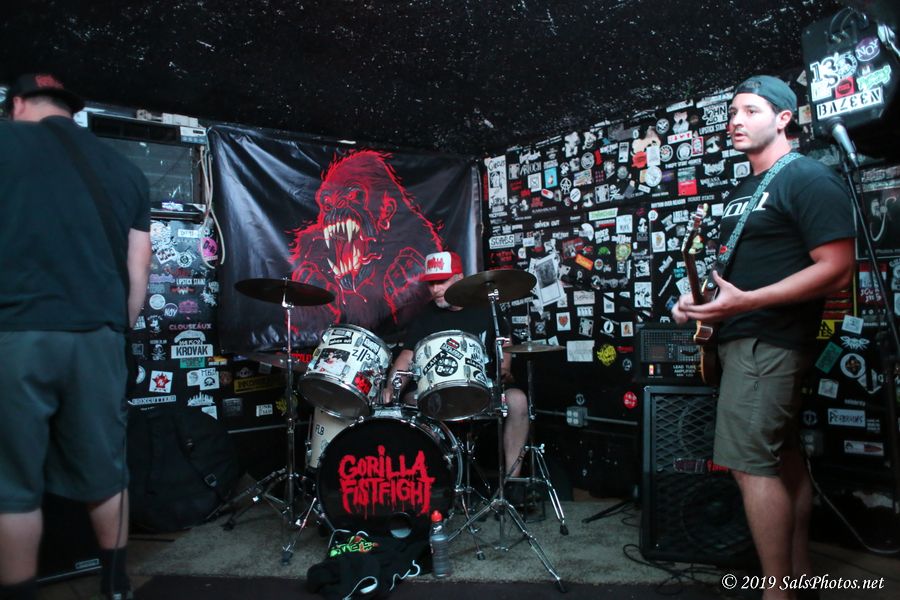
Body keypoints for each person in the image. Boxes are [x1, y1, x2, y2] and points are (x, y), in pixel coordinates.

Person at [673, 75, 855, 600]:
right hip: (745, 340)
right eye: (732, 112)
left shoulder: (807, 177)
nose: (736, 120)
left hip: (768, 342)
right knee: (783, 460)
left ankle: (777, 593)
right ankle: (799, 578)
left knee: (749, 468)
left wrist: (746, 303)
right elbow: (738, 277)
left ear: (783, 118)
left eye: (751, 111)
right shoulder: (743, 191)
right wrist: (697, 301)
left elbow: (838, 268)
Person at [0, 74, 152, 600]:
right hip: (98, 336)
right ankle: (117, 585)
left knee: (11, 486)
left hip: (16, 331)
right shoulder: (123, 168)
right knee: (107, 473)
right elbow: (139, 264)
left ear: (17, 104)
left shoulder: (6, 141)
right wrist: (115, 326)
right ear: (71, 111)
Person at [383, 251, 530, 496]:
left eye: (442, 281)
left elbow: (505, 342)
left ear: (459, 278)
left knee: (518, 400)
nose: (435, 289)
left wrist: (504, 369)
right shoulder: (426, 315)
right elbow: (407, 356)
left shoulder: (485, 307)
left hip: (481, 388)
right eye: (431, 283)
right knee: (410, 400)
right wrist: (392, 385)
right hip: (437, 392)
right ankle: (437, 485)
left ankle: (513, 485)